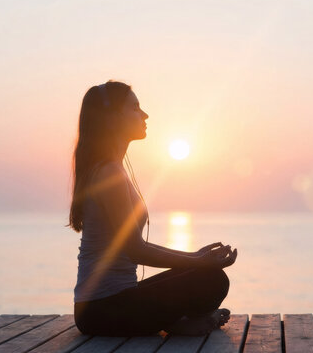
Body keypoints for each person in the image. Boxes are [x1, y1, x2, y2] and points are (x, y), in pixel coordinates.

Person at [67, 80, 238, 336]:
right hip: (101, 311)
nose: (144, 114)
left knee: (205, 272)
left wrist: (195, 258)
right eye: (135, 107)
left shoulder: (112, 169)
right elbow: (136, 250)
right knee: (212, 280)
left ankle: (175, 322)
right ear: (112, 118)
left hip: (110, 304)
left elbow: (136, 247)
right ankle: (180, 323)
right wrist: (200, 262)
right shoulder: (107, 173)